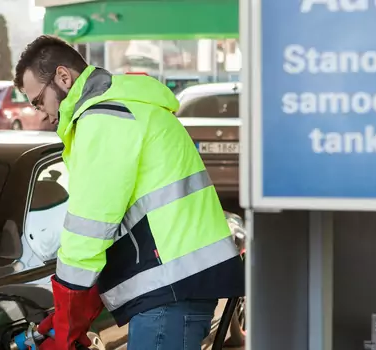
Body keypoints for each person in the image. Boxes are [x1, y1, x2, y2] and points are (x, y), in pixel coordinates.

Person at [13, 35, 245, 350]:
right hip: (176, 284)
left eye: (39, 100)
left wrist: (68, 310)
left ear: (63, 78)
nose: (41, 113)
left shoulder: (105, 119)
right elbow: (123, 220)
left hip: (168, 288)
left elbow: (90, 225)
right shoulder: (128, 108)